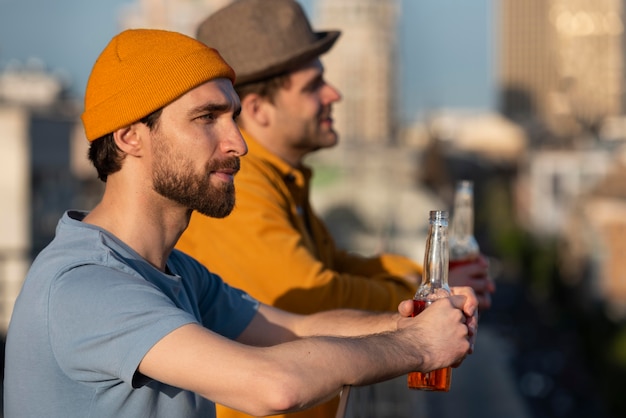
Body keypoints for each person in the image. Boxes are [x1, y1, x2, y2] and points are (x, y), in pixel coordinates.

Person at [3, 28, 478, 418]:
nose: (238, 142)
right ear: (129, 137)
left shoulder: (178, 273)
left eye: (232, 115)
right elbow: (273, 386)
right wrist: (418, 347)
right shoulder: (84, 287)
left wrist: (417, 324)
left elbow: (300, 332)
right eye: (207, 117)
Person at [177, 2, 493, 416]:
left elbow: (336, 263)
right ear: (257, 110)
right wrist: (428, 300)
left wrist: (425, 278)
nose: (334, 94)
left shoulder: (281, 181)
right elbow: (310, 297)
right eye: (313, 86)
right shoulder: (239, 189)